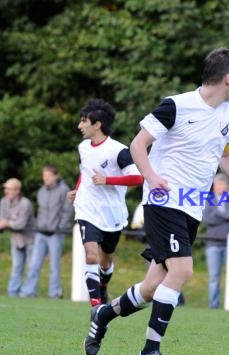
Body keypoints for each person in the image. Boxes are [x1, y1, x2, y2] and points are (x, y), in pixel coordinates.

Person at [82, 47, 229, 355]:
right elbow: (138, 144)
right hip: (163, 200)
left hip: (192, 206)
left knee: (152, 286)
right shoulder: (177, 105)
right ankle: (150, 350)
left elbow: (226, 153)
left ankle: (103, 315)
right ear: (227, 78)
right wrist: (151, 176)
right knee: (182, 271)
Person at [67, 98, 143, 307]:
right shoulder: (83, 147)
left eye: (84, 121)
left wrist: (107, 180)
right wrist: (77, 189)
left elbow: (137, 178)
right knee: (91, 255)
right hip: (86, 209)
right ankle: (96, 306)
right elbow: (85, 172)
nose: (80, 126)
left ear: (97, 124)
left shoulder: (118, 151)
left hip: (112, 214)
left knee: (105, 259)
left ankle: (102, 287)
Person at [20, 165, 74, 298]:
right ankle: (28, 292)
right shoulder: (41, 191)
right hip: (40, 233)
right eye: (44, 176)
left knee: (54, 266)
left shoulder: (64, 190)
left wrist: (59, 227)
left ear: (55, 176)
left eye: (48, 176)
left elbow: (68, 210)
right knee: (34, 264)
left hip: (56, 234)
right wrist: (38, 226)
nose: (46, 179)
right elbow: (40, 211)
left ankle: (54, 293)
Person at [203, 173, 229, 309]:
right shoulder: (209, 199)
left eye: (222, 184)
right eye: (216, 184)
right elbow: (206, 219)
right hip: (212, 243)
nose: (219, 187)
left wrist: (217, 213)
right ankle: (213, 305)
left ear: (227, 186)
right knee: (214, 277)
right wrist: (226, 215)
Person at [0, 178, 35, 296]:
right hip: (16, 239)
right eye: (6, 189)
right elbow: (2, 219)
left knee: (31, 268)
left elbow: (20, 224)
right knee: (16, 267)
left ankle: (28, 293)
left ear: (17, 190)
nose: (7, 191)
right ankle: (12, 292)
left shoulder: (26, 203)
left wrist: (7, 223)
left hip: (30, 240)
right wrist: (8, 222)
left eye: (9, 189)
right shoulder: (4, 202)